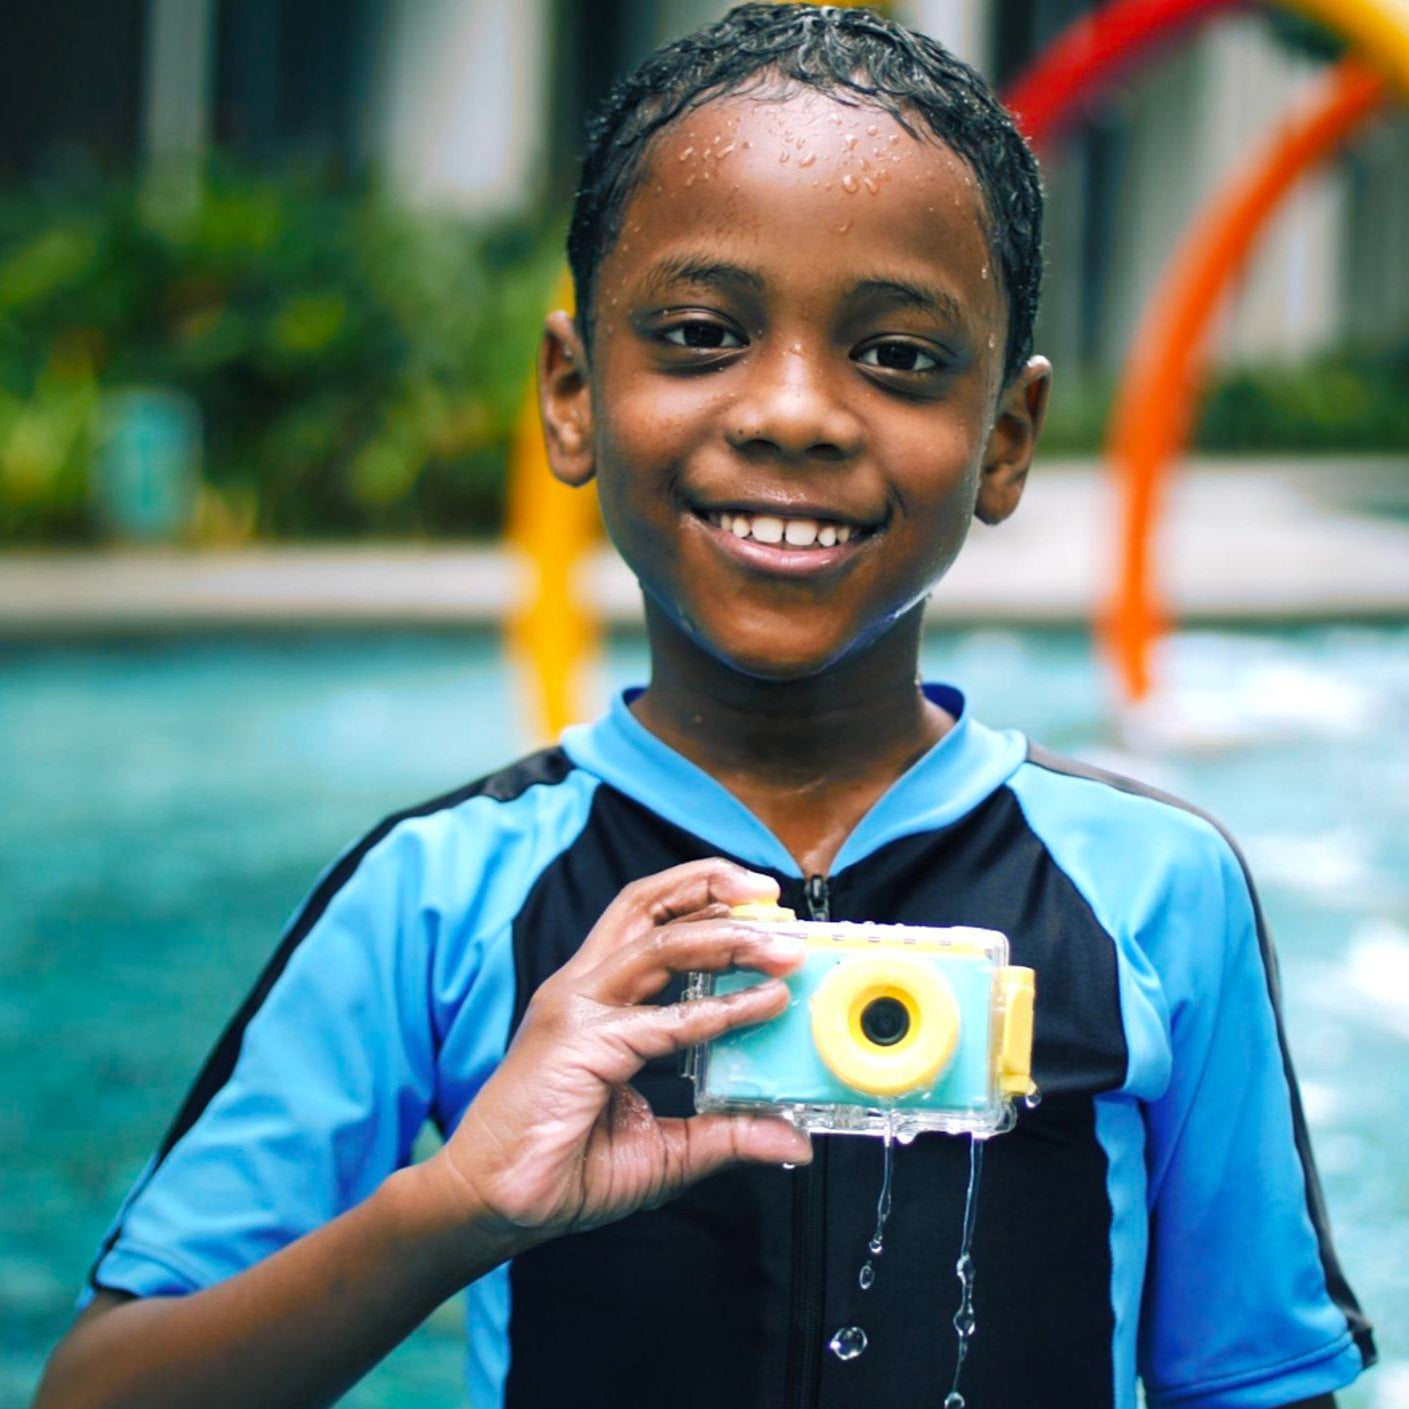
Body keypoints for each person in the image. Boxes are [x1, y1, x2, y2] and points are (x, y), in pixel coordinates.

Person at [35, 7, 1374, 1409]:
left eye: (900, 356)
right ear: (571, 394)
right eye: (697, 334)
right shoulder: (437, 898)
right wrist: (462, 1205)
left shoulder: (1153, 889)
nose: (793, 411)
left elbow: (1257, 1382)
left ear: (1005, 440)